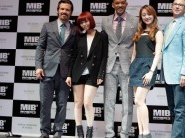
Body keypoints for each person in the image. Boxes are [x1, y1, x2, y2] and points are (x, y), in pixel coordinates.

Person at [35, 0, 76, 138]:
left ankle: (58, 131)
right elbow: (40, 47)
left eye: (68, 10)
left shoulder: (75, 29)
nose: (65, 12)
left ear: (71, 12)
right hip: (47, 70)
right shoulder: (47, 26)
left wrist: (71, 73)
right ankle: (44, 132)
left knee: (62, 103)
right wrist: (38, 66)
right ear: (58, 10)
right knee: (45, 103)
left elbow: (75, 53)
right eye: (62, 9)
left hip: (65, 73)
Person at [65, 11, 108, 138]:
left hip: (93, 74)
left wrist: (101, 74)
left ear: (91, 20)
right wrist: (69, 75)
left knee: (87, 103)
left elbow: (104, 56)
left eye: (86, 21)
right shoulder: (78, 36)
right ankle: (79, 132)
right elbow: (73, 56)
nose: (84, 24)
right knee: (78, 103)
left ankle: (89, 131)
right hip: (77, 72)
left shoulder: (102, 36)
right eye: (81, 22)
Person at [101, 0, 138, 137]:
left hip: (127, 66)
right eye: (117, 3)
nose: (120, 5)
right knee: (108, 102)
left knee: (127, 103)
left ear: (126, 4)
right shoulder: (105, 21)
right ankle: (109, 133)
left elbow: (138, 42)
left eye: (123, 2)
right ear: (112, 5)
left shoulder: (135, 21)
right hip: (109, 66)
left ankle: (124, 134)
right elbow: (103, 43)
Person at [160, 0, 185, 138]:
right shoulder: (169, 24)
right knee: (172, 109)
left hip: (180, 75)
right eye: (175, 4)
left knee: (179, 110)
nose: (177, 6)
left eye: (181, 5)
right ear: (171, 6)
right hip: (168, 73)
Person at [129, 5, 163, 138]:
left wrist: (151, 71)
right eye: (144, 15)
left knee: (139, 100)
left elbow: (158, 54)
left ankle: (147, 133)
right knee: (138, 103)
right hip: (136, 66)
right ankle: (141, 133)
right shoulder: (138, 33)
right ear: (141, 17)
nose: (146, 17)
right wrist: (131, 70)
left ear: (153, 15)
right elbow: (134, 53)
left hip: (148, 67)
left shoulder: (158, 32)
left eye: (149, 14)